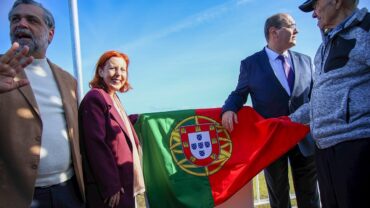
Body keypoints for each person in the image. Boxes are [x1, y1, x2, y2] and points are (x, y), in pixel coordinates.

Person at [222, 13, 320, 208]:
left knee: (310, 193)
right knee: (278, 193)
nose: (297, 30)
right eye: (292, 26)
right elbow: (239, 93)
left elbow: (316, 95)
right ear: (273, 32)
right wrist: (229, 109)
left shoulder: (306, 60)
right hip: (272, 139)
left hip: (305, 137)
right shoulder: (251, 64)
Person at [0, 0, 85, 207]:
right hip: (17, 196)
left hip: (70, 190)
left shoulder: (69, 80)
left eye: (31, 20)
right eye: (14, 19)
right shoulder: (1, 70)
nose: (21, 24)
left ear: (50, 34)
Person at [294, 0, 370, 207]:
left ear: (336, 2)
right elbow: (320, 99)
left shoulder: (366, 30)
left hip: (356, 148)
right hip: (325, 150)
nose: (313, 14)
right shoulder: (323, 47)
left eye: (316, 6)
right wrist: (288, 121)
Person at [79, 51, 145, 208]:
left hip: (125, 185)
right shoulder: (95, 98)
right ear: (101, 71)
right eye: (113, 68)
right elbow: (95, 144)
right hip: (112, 190)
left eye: (123, 70)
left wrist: (138, 119)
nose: (118, 74)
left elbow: (117, 125)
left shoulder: (113, 98)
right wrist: (110, 185)